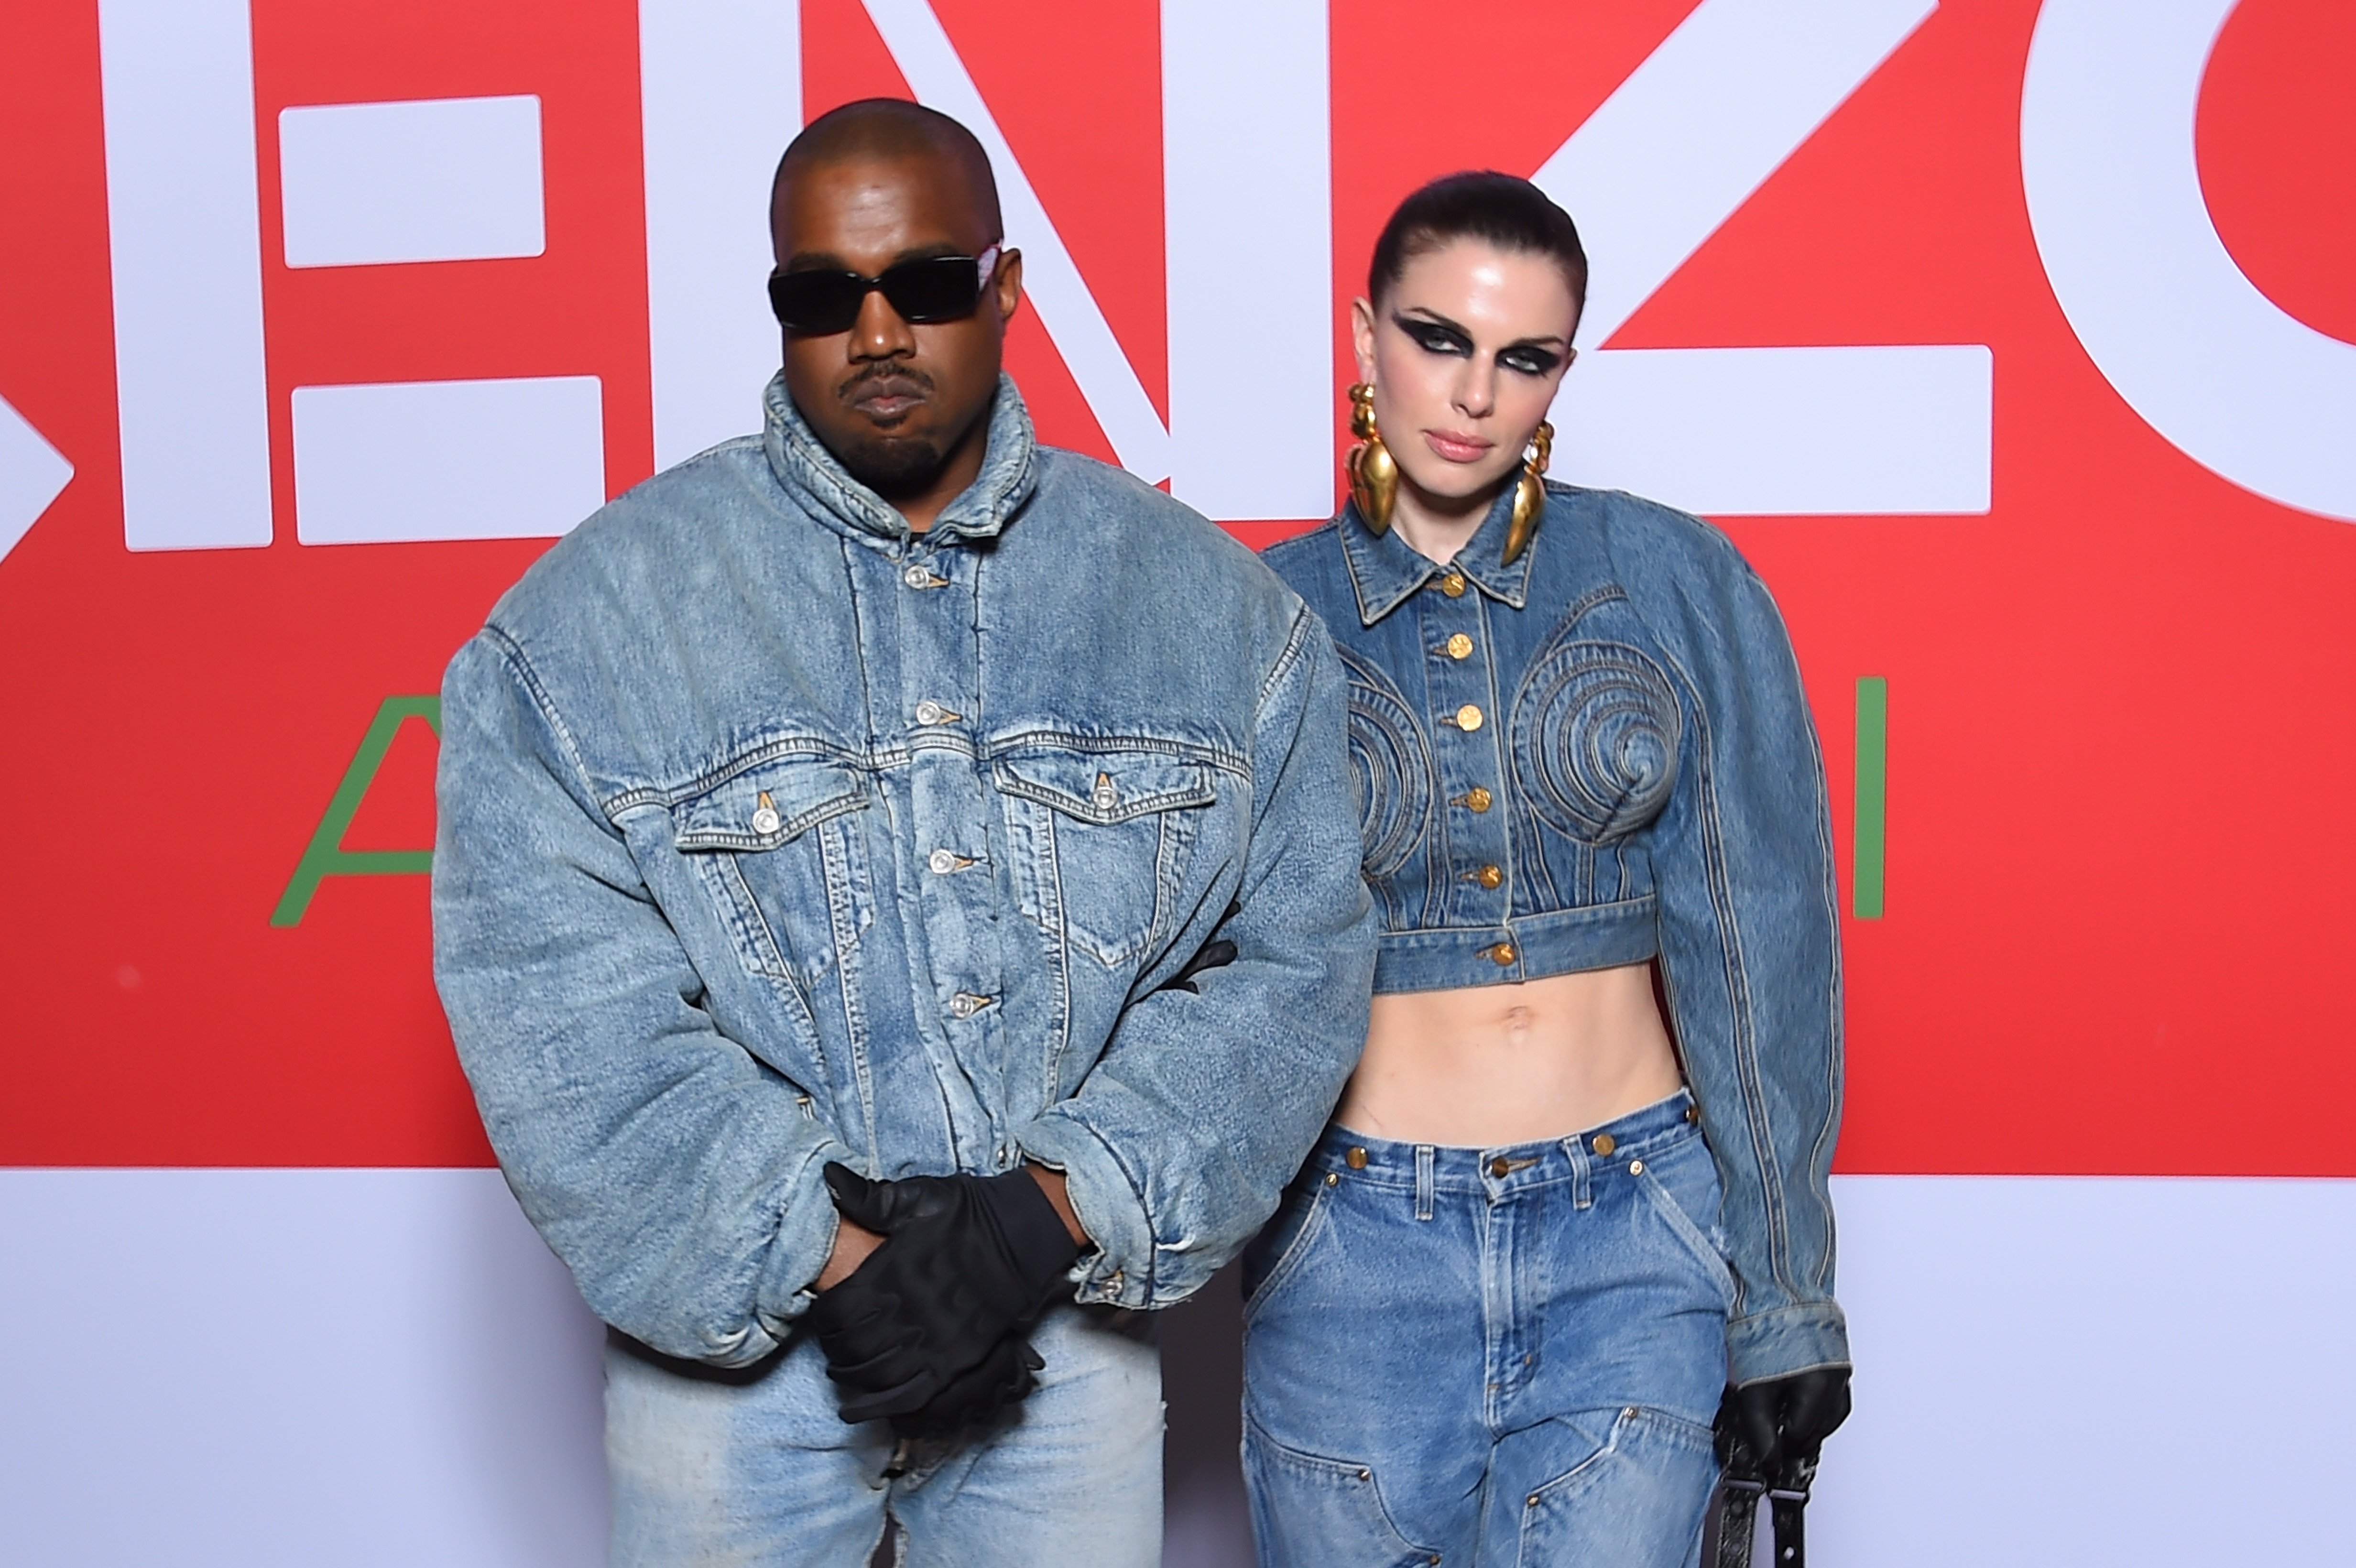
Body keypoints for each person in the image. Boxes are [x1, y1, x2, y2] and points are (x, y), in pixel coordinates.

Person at [431, 98, 1374, 1568]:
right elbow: (559, 1008)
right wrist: (830, 1255)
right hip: (730, 1377)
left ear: (1005, 290)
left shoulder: (1215, 619)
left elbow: (1297, 960)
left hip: (1062, 1349)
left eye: (926, 284)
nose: (877, 332)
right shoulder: (583, 631)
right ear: (780, 313)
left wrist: (1047, 1217)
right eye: (825, 297)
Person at [1247, 172, 1851, 1568]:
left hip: (1633, 1236)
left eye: (1524, 358)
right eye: (1437, 337)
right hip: (1355, 1249)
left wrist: (1787, 1299)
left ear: (1561, 372)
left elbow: (1759, 951)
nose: (1473, 394)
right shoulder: (1256, 617)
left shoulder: (1675, 580)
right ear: (1363, 338)